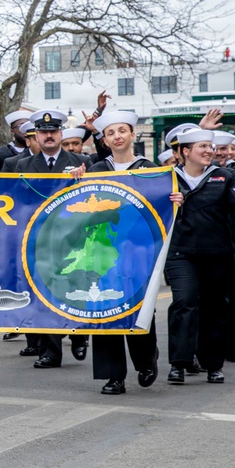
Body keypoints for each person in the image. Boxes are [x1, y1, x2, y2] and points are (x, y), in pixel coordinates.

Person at [165, 127, 235, 385]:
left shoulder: (222, 177)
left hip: (217, 254)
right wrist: (168, 202)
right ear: (185, 151)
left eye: (210, 147)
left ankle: (213, 364)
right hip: (181, 254)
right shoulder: (166, 178)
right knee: (184, 302)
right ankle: (179, 363)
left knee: (215, 307)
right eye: (202, 147)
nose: (209, 151)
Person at [85, 111, 161, 395]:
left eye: (122, 131)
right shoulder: (95, 170)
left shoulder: (149, 168)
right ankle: (112, 375)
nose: (117, 136)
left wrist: (176, 198)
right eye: (110, 133)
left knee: (139, 306)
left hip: (138, 250)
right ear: (104, 140)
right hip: (101, 249)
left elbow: (161, 208)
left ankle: (146, 361)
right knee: (103, 307)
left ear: (132, 135)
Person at [14, 110, 90, 369]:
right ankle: (50, 351)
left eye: (53, 131)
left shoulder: (82, 161)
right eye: (43, 132)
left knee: (75, 290)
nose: (48, 136)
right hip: (42, 239)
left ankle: (80, 335)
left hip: (75, 238)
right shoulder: (22, 165)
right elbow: (17, 201)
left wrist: (82, 179)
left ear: (61, 134)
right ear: (36, 135)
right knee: (46, 293)